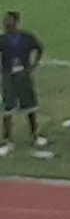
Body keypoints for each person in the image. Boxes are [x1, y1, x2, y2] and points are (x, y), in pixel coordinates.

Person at [0, 12, 46, 155]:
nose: (6, 24)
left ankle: (34, 136)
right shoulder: (2, 39)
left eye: (9, 21)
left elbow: (39, 47)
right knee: (8, 109)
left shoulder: (26, 38)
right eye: (5, 21)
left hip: (23, 75)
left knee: (30, 106)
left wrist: (33, 66)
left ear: (16, 23)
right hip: (8, 76)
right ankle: (8, 141)